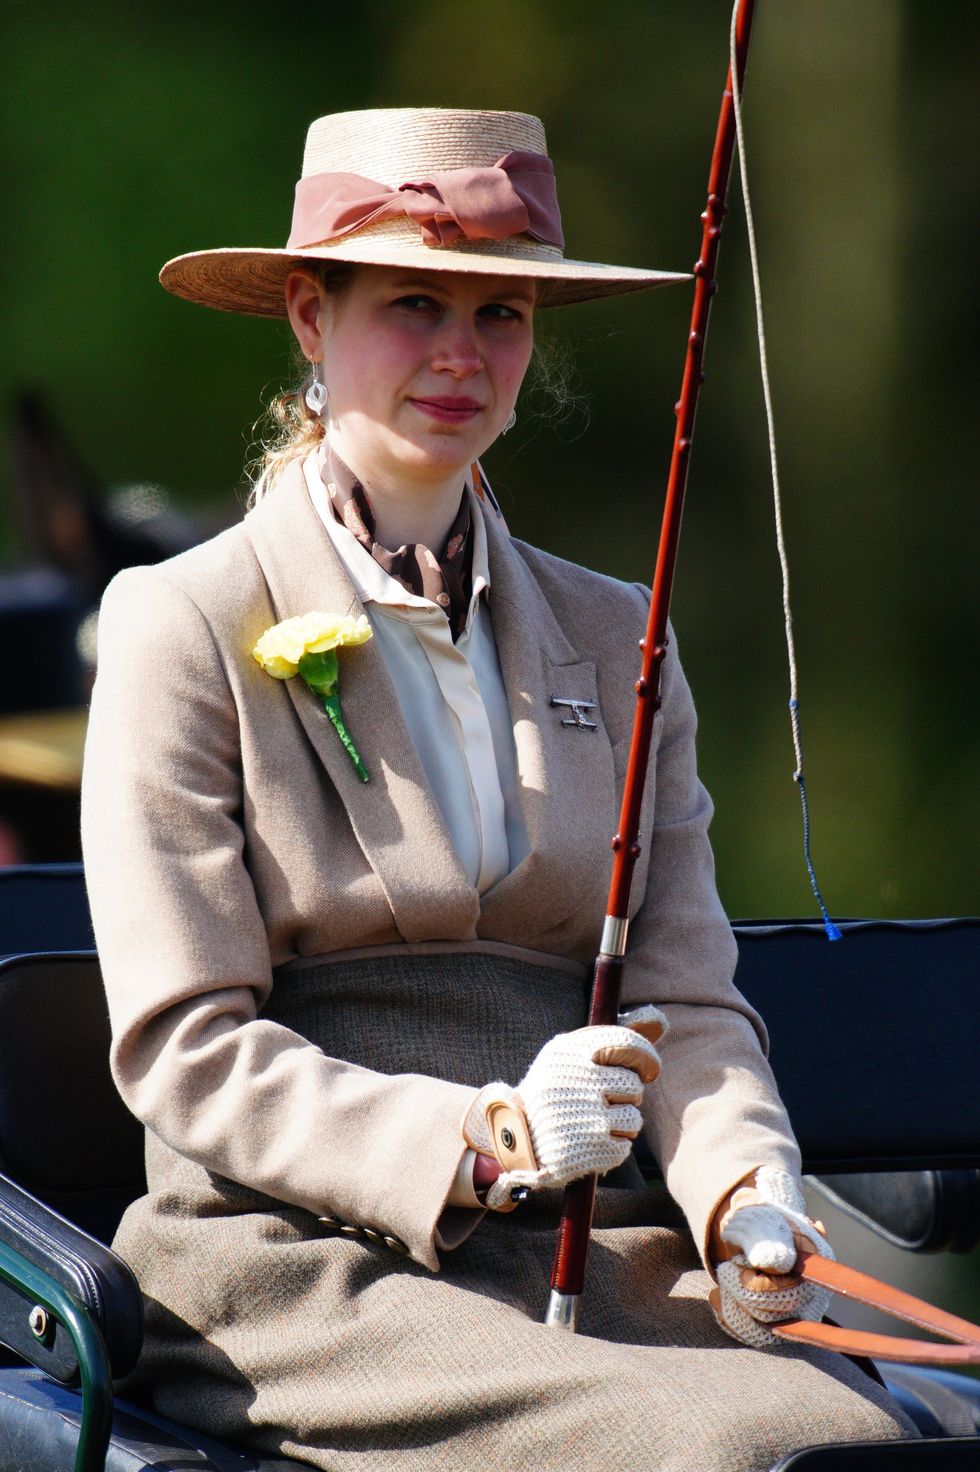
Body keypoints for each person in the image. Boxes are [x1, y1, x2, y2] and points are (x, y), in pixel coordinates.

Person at [81, 108, 912, 1471]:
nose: (463, 354)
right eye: (415, 304)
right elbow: (186, 1048)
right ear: (310, 314)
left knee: (864, 1437)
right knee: (718, 1456)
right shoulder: (182, 623)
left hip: (603, 1254)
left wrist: (744, 1195)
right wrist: (488, 1134)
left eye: (503, 313)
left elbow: (687, 999)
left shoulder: (615, 631)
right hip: (300, 1272)